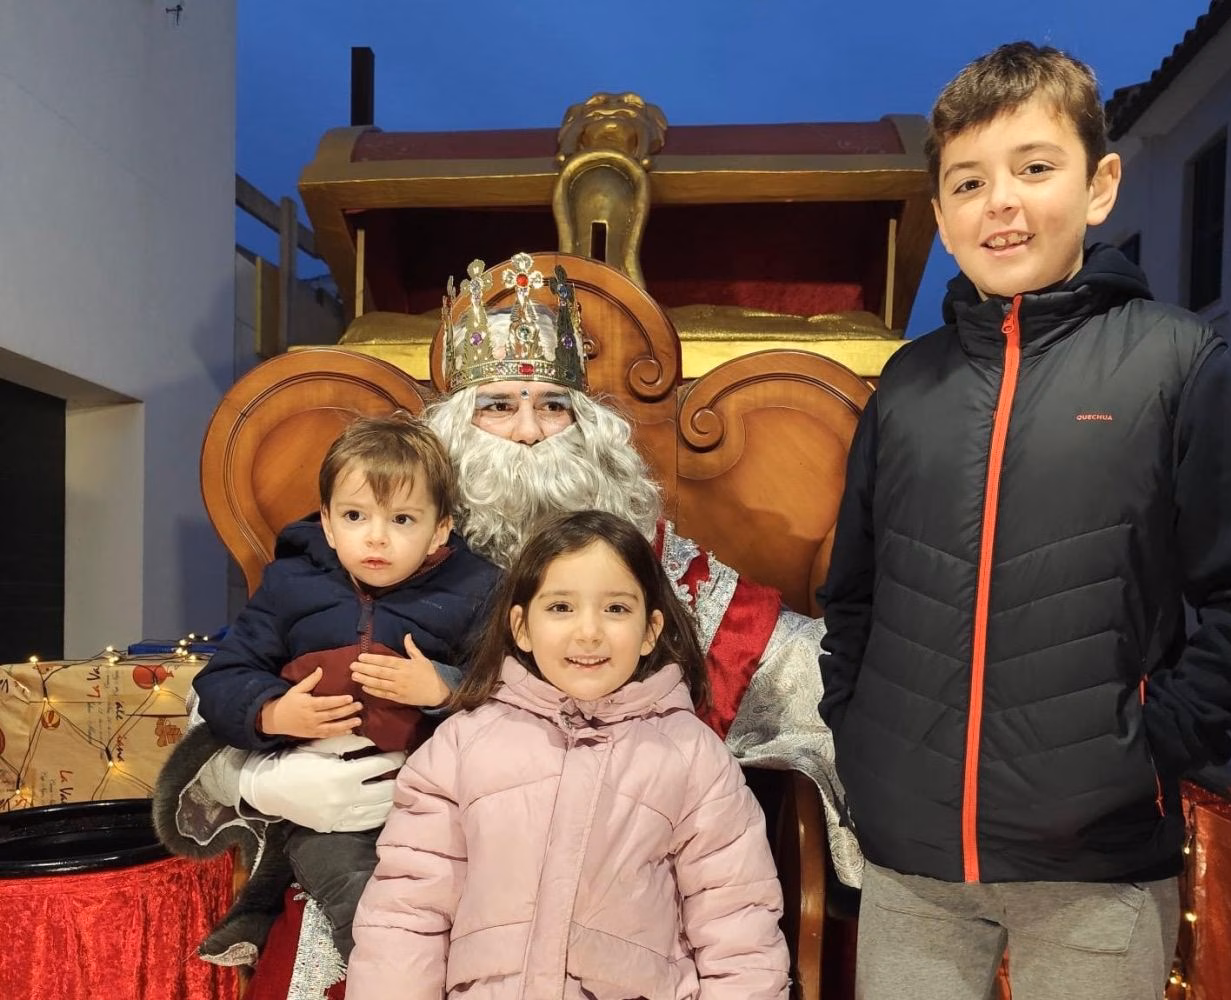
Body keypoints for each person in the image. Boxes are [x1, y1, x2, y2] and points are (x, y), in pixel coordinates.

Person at [164, 253, 857, 997]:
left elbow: (817, 677)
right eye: (497, 405)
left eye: (552, 406)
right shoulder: (361, 560)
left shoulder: (660, 577)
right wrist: (265, 783)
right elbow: (216, 696)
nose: (529, 432)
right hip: (392, 903)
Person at [817, 41, 1231, 1000]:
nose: (1002, 201)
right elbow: (855, 594)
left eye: (1035, 167)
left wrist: (1148, 747)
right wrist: (860, 736)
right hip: (913, 867)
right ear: (944, 216)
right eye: (968, 181)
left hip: (1098, 867)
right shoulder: (907, 387)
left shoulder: (1174, 364)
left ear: (1100, 184)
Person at [347, 509, 790, 998]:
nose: (589, 632)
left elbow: (738, 925)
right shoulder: (460, 746)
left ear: (649, 631)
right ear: (522, 627)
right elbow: (406, 913)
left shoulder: (693, 758)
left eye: (616, 609)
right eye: (560, 608)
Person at [154, 413, 499, 966]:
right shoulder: (293, 585)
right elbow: (223, 678)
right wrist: (271, 713)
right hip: (315, 798)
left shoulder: (475, 590)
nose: (377, 537)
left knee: (461, 887)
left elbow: (505, 686)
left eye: (403, 519)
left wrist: (442, 688)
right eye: (355, 516)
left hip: (429, 796)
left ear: (440, 530)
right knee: (355, 893)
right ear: (329, 523)